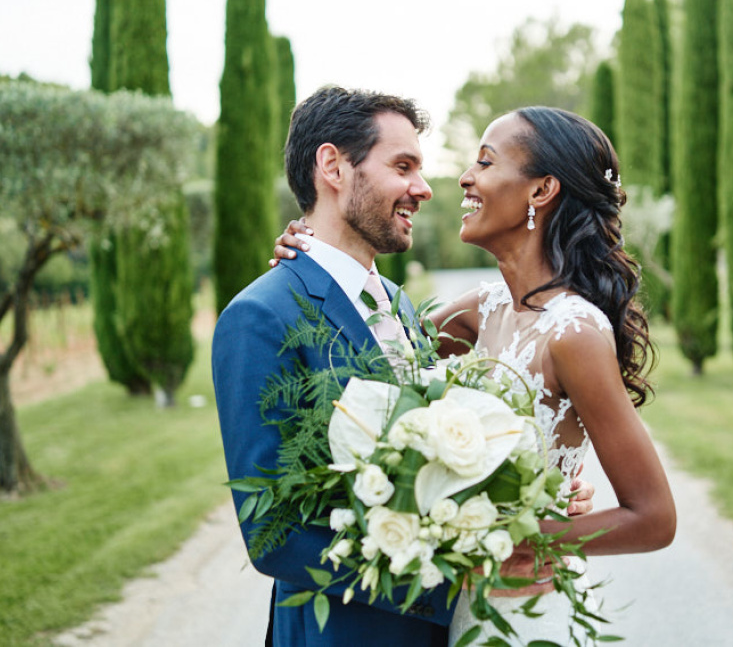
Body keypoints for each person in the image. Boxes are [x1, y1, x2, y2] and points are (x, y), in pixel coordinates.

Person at [274, 106, 677, 643]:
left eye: (485, 163)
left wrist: (523, 533)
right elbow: (360, 347)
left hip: (528, 614)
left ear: (540, 192)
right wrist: (310, 254)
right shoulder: (480, 310)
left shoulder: (573, 332)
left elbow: (653, 517)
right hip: (462, 609)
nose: (464, 178)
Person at [214, 86, 596, 646]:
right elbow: (273, 535)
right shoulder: (260, 316)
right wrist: (457, 581)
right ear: (332, 166)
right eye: (403, 166)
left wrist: (531, 493)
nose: (423, 188)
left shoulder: (402, 307)